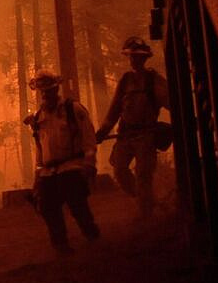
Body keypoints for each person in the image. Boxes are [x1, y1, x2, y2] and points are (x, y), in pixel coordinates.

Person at [24, 72, 101, 255]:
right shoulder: (38, 118)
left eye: (49, 90)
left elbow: (88, 137)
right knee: (47, 208)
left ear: (56, 89)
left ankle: (92, 236)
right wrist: (38, 176)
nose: (45, 95)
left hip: (72, 166)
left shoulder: (73, 110)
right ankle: (61, 246)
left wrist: (89, 163)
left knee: (77, 206)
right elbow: (40, 149)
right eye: (42, 91)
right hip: (48, 172)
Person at [95, 36, 171, 218]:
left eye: (137, 57)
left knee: (144, 174)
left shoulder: (155, 80)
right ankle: (145, 199)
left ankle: (146, 213)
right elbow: (114, 110)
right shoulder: (126, 80)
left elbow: (171, 102)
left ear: (145, 58)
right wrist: (102, 132)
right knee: (120, 170)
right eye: (131, 57)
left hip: (146, 135)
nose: (134, 60)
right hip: (125, 134)